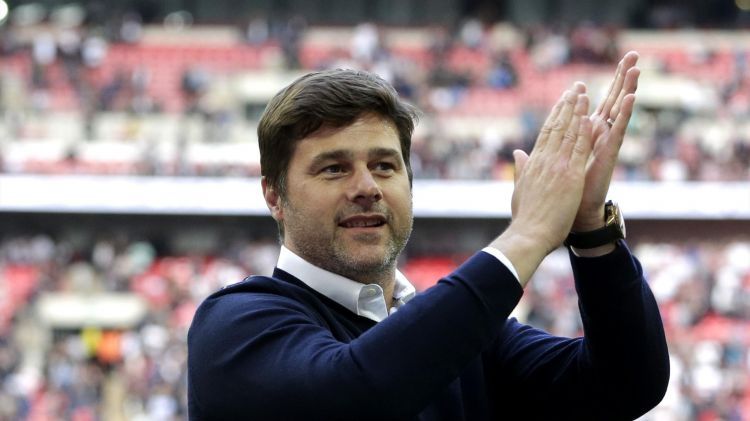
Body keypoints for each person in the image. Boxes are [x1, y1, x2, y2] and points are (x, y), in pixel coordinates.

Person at [187, 51, 670, 420]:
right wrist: (528, 235)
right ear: (274, 196)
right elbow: (355, 396)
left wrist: (590, 231)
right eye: (334, 168)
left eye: (385, 165)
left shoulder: (467, 340)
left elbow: (627, 385)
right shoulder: (235, 324)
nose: (367, 187)